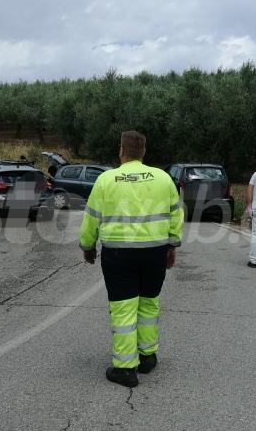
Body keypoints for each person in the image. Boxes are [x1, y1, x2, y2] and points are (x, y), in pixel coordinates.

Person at [79, 130, 184, 388]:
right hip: (154, 254)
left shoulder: (106, 180)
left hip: (119, 255)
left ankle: (125, 369)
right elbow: (175, 215)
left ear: (121, 151)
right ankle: (147, 357)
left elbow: (92, 217)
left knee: (124, 309)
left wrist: (88, 246)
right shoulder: (163, 178)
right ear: (144, 152)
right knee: (149, 305)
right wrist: (171, 246)